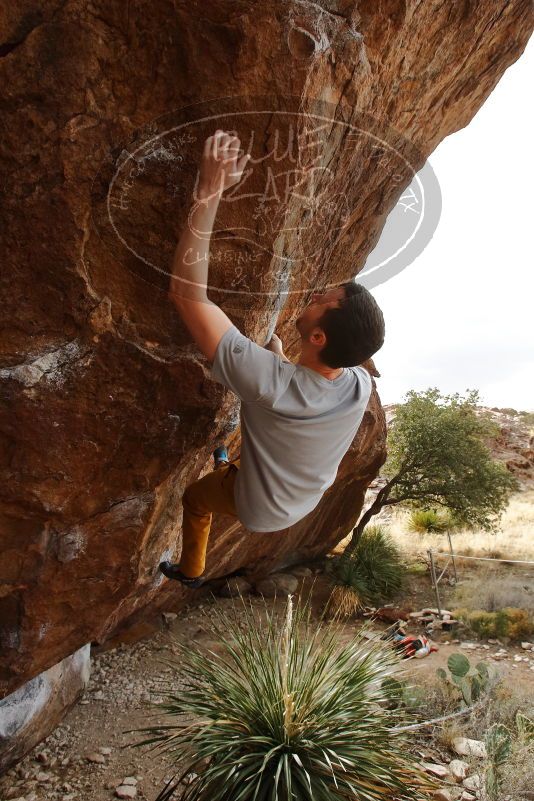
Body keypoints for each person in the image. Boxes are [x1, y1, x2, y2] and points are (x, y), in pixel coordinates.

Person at [159, 130, 385, 588]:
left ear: (319, 335)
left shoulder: (269, 383)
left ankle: (190, 571)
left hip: (258, 507)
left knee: (195, 498)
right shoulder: (358, 383)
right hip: (302, 500)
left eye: (324, 298)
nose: (316, 292)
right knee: (242, 455)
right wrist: (282, 357)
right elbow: (357, 364)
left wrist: (211, 188)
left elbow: (187, 296)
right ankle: (231, 466)